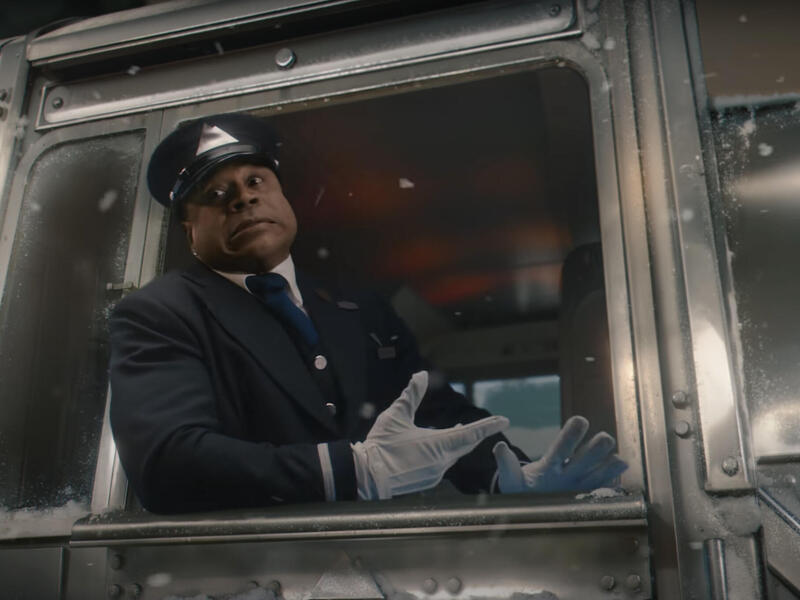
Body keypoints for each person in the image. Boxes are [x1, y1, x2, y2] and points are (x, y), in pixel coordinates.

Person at [109, 113, 626, 514]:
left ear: (283, 197)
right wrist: (353, 471)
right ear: (188, 230)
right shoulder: (161, 312)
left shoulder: (358, 308)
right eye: (216, 194)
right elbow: (168, 464)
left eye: (256, 182)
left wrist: (507, 473)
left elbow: (434, 413)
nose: (243, 200)